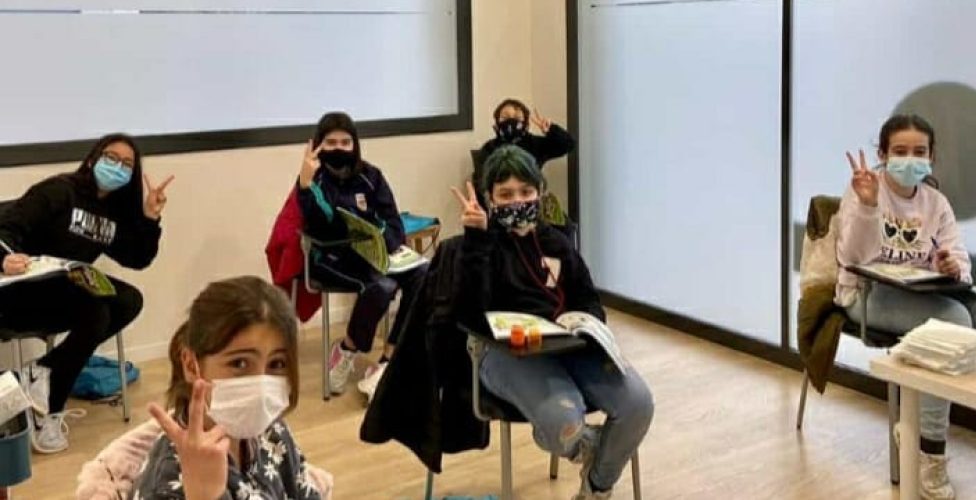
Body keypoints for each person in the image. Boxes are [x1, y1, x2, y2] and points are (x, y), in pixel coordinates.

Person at [451, 145, 653, 499]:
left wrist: (586, 325)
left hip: (568, 346)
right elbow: (469, 314)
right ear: (489, 198)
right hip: (504, 353)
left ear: (540, 191)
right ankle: (593, 448)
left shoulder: (557, 242)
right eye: (505, 194)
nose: (517, 201)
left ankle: (596, 488)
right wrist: (476, 239)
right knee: (564, 422)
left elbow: (588, 298)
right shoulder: (480, 244)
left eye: (526, 191)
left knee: (638, 404)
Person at [837, 114, 976, 500]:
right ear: (882, 154)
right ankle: (930, 452)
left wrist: (950, 266)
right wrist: (867, 207)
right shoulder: (865, 188)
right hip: (866, 294)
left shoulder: (936, 202)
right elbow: (853, 259)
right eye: (900, 151)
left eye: (919, 151)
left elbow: (959, 261)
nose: (910, 159)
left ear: (931, 156)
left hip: (924, 292)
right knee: (952, 320)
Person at [0, 133, 171, 454]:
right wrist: (5, 258)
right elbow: (5, 228)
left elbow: (137, 258)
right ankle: (48, 406)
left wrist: (151, 218)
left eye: (127, 164)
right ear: (93, 159)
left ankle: (41, 374)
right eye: (111, 158)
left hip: (64, 292)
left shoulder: (112, 213)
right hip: (18, 292)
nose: (117, 167)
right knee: (96, 312)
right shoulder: (58, 191)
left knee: (128, 300)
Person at [132, 276, 324, 500]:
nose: (261, 388)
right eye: (239, 363)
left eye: (276, 364)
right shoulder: (167, 487)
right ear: (191, 365)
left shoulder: (271, 430)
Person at [296, 111, 428, 398]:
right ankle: (346, 350)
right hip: (331, 257)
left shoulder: (371, 176)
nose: (339, 148)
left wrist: (385, 245)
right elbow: (317, 227)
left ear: (355, 144)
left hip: (374, 255)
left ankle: (389, 358)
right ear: (318, 145)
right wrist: (305, 186)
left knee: (424, 274)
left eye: (346, 142)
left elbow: (393, 221)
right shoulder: (313, 179)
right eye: (331, 143)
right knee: (383, 286)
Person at [474, 99, 575, 205]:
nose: (511, 121)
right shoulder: (489, 148)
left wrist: (551, 130)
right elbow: (481, 183)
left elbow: (568, 145)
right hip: (500, 204)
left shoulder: (535, 144)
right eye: (505, 118)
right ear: (496, 124)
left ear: (526, 125)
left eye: (517, 118)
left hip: (531, 201)